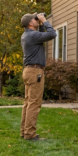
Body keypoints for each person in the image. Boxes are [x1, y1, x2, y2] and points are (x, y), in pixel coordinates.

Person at [20, 12, 56, 141]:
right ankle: (30, 134)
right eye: (35, 19)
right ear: (30, 23)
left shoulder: (27, 35)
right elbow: (52, 34)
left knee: (28, 103)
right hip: (35, 72)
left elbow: (42, 36)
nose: (37, 19)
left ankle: (25, 132)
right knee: (34, 104)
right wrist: (45, 21)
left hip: (29, 71)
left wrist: (40, 24)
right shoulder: (33, 35)